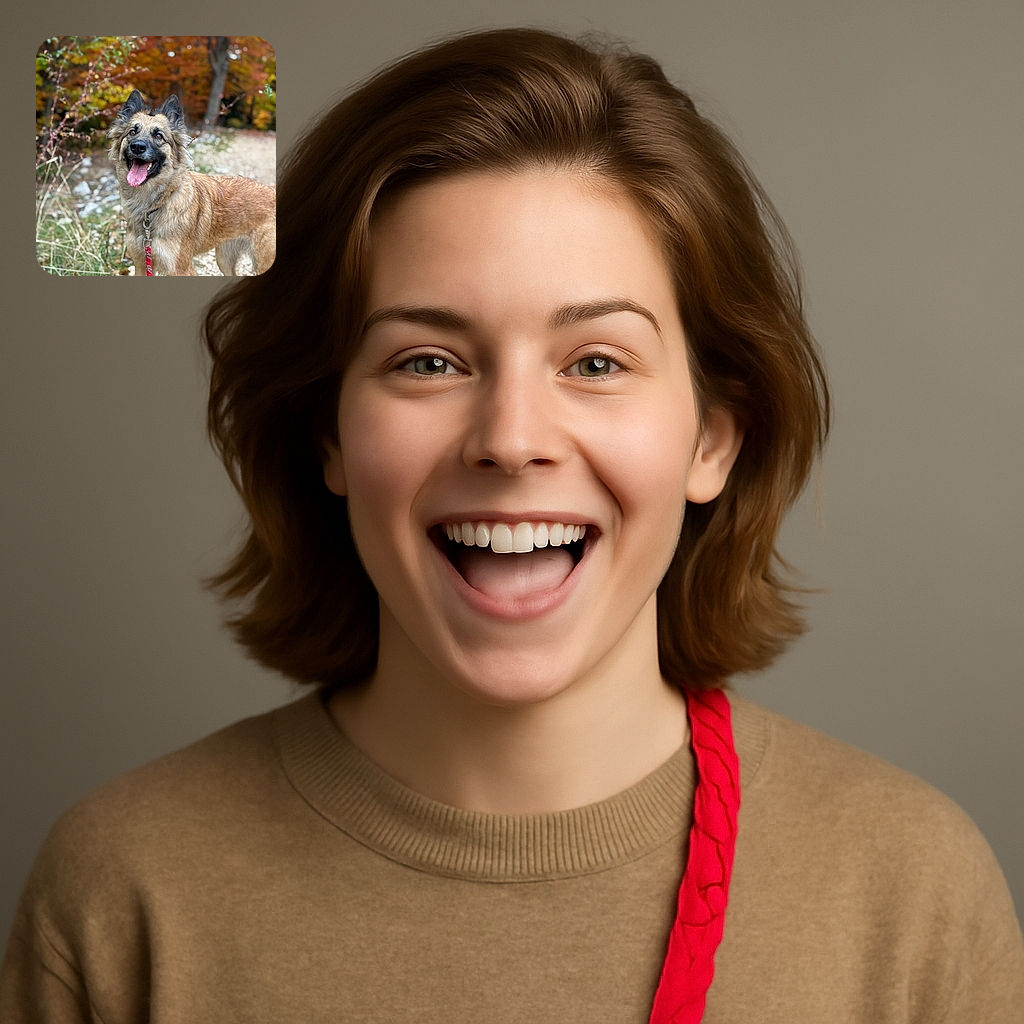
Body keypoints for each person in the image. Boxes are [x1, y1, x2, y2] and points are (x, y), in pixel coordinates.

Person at [2, 27, 1021, 1023]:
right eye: (426, 361)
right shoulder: (121, 893)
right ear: (328, 435)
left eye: (595, 361)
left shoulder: (911, 892)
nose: (511, 439)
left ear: (713, 439)